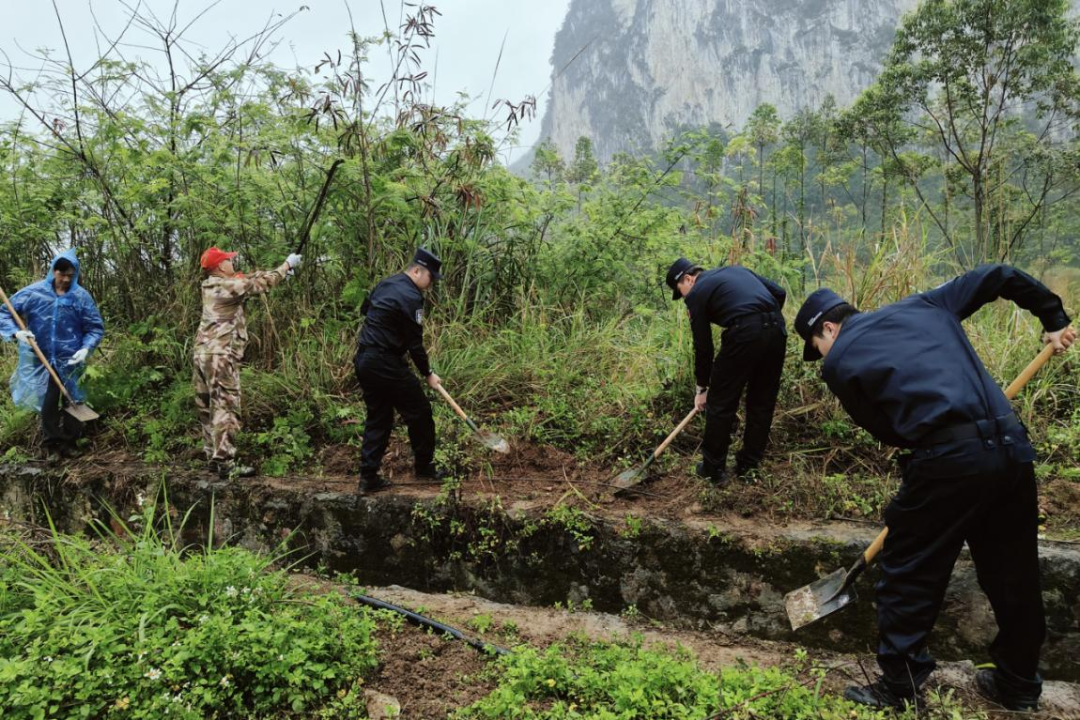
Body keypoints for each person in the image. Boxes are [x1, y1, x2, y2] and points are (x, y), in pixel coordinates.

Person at [794, 265, 1076, 711]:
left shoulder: (840, 362)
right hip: (1011, 450)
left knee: (908, 571)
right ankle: (1018, 686)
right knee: (1013, 575)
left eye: (817, 347)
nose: (824, 355)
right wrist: (1053, 318)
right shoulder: (928, 303)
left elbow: (887, 430)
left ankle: (900, 687)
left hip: (948, 460)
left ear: (827, 327)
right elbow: (1000, 275)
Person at [665, 257, 787, 484]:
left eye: (679, 290)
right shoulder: (738, 270)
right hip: (777, 330)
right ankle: (748, 468)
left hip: (745, 332)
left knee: (721, 402)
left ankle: (712, 469)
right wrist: (762, 323)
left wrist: (702, 389)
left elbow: (703, 347)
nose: (683, 297)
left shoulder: (696, 292)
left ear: (688, 279)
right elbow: (779, 293)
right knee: (762, 402)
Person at [193, 247, 301, 479]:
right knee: (226, 407)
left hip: (203, 355)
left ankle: (212, 456)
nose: (233, 263)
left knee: (207, 408)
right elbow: (259, 285)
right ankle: (225, 462)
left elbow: (250, 277)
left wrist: (279, 272)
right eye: (229, 260)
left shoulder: (214, 285)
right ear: (221, 266)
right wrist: (286, 266)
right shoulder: (227, 286)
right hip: (220, 356)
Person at [354, 248, 446, 493]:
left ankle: (368, 477)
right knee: (420, 411)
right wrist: (428, 373)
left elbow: (366, 310)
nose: (430, 285)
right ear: (417, 270)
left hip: (364, 359)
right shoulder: (412, 296)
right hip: (386, 362)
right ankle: (425, 467)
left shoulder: (386, 284)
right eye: (430, 279)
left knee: (379, 416)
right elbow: (415, 343)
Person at [0, 249, 104, 460]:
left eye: (70, 275)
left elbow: (94, 328)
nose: (65, 279)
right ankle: (53, 445)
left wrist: (85, 349)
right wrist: (16, 332)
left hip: (72, 358)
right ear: (53, 271)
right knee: (49, 401)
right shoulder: (33, 292)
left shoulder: (81, 297)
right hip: (42, 358)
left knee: (74, 400)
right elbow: (4, 312)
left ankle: (70, 442)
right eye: (61, 273)